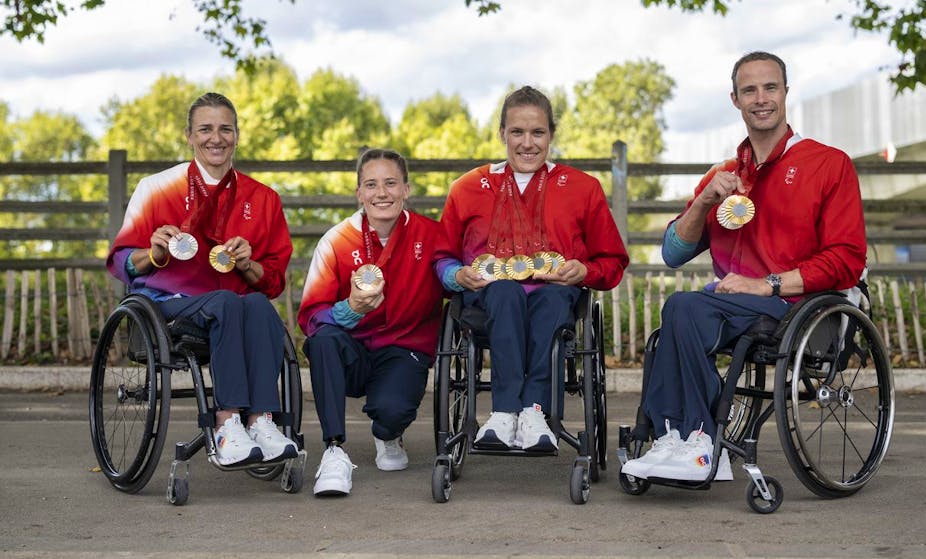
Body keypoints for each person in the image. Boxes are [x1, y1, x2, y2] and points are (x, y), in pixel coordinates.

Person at [621, 51, 867, 482]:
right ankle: (674, 440)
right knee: (681, 314)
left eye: (770, 87)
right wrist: (703, 201)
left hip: (797, 304)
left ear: (786, 92)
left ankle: (696, 440)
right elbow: (673, 253)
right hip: (732, 305)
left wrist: (768, 284)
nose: (761, 98)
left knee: (684, 308)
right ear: (735, 100)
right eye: (749, 90)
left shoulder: (828, 164)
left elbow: (847, 259)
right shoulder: (725, 175)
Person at [107, 92, 298, 467]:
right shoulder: (157, 187)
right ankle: (227, 424)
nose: (216, 138)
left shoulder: (263, 198)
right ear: (189, 135)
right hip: (170, 304)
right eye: (205, 129)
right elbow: (121, 261)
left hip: (235, 305)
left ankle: (261, 421)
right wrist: (154, 254)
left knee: (258, 303)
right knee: (227, 303)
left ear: (237, 135)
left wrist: (249, 264)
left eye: (225, 129)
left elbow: (273, 283)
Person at [433, 86, 629, 452]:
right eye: (517, 132)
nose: (527, 143)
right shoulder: (468, 187)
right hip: (489, 300)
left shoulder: (583, 188)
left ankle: (535, 410)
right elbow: (441, 258)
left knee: (555, 300)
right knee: (505, 293)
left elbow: (612, 261)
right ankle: (505, 411)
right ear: (502, 133)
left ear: (551, 134)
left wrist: (583, 272)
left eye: (537, 132)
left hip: (554, 296)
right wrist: (456, 275)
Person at [298, 148, 444, 496]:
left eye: (391, 183)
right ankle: (334, 450)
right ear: (359, 193)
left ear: (406, 189)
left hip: (405, 346)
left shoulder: (434, 235)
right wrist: (349, 309)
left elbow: (456, 279)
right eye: (372, 185)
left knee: (390, 411)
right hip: (353, 349)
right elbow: (310, 316)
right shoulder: (336, 240)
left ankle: (388, 434)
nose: (382, 193)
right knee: (322, 341)